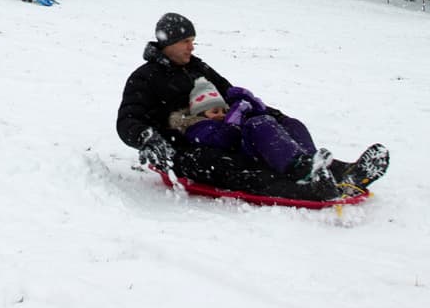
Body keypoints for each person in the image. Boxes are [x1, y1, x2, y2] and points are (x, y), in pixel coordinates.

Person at [116, 12, 389, 201]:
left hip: (226, 130)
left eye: (192, 41)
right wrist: (147, 138)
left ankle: (333, 170)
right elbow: (128, 119)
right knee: (228, 166)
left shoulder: (199, 67)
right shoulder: (145, 77)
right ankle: (306, 188)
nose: (192, 46)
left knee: (284, 126)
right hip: (188, 146)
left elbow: (233, 94)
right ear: (170, 43)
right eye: (187, 41)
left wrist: (273, 114)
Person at [170, 78, 338, 194]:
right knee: (258, 124)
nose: (221, 114)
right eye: (215, 111)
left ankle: (311, 160)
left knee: (291, 124)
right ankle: (298, 168)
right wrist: (234, 119)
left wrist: (255, 107)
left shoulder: (224, 120)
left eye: (224, 110)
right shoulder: (197, 127)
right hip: (241, 158)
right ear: (200, 113)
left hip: (254, 148)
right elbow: (224, 140)